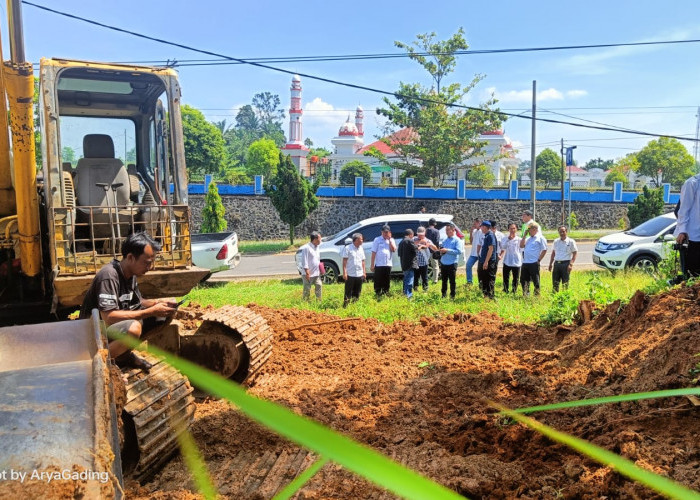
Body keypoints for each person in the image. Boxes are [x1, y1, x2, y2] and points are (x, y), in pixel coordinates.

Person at [79, 232, 178, 372]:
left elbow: (137, 302)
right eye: (147, 263)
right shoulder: (109, 275)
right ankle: (99, 365)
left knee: (162, 316)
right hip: (93, 334)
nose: (149, 268)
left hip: (111, 329)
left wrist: (158, 303)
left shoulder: (130, 275)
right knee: (134, 328)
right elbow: (109, 316)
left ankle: (122, 355)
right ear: (131, 257)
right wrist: (150, 311)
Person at [674, 172, 700, 278]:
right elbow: (683, 210)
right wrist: (682, 231)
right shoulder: (692, 183)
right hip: (693, 238)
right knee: (692, 275)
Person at [519, 222, 548, 296]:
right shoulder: (528, 238)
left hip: (534, 262)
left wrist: (538, 260)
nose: (528, 231)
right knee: (524, 280)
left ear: (534, 229)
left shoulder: (540, 238)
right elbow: (521, 246)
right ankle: (526, 294)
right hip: (525, 262)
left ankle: (536, 295)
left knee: (535, 280)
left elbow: (544, 250)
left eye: (529, 229)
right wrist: (524, 235)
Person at [548, 225, 578, 292]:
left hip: (566, 264)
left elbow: (575, 253)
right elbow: (553, 253)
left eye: (563, 231)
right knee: (555, 283)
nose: (562, 233)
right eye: (560, 232)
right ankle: (555, 298)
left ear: (566, 232)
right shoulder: (556, 241)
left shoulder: (571, 242)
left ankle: (564, 298)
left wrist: (571, 264)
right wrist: (550, 264)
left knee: (565, 283)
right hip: (557, 264)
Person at [370, 225, 397, 296]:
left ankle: (386, 292)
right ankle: (377, 292)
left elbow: (393, 250)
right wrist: (372, 264)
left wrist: (390, 241)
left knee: (386, 279)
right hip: (379, 264)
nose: (385, 234)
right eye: (384, 232)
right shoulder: (377, 239)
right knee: (378, 279)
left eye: (387, 232)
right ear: (381, 232)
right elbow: (373, 252)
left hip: (388, 263)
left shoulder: (391, 240)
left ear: (389, 232)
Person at [439, 223, 463, 299]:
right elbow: (442, 249)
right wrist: (441, 251)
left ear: (453, 230)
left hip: (452, 263)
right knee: (444, 280)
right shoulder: (445, 240)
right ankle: (443, 295)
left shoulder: (457, 240)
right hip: (444, 262)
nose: (446, 232)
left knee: (452, 281)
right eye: (446, 230)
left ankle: (452, 296)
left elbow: (459, 251)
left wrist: (447, 250)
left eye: (448, 230)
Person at [342, 233, 366, 307]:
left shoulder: (361, 248)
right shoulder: (348, 248)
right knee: (348, 291)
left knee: (357, 291)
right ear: (356, 240)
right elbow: (344, 261)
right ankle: (346, 305)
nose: (362, 241)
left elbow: (363, 261)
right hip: (350, 274)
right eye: (361, 239)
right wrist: (344, 272)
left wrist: (364, 272)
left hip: (359, 273)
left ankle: (355, 305)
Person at [499, 223, 522, 294]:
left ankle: (514, 290)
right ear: (508, 229)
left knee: (516, 278)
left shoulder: (519, 239)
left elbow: (521, 249)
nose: (512, 230)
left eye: (514, 228)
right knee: (506, 277)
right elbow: (503, 247)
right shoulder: (505, 238)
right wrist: (508, 239)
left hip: (516, 261)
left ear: (516, 229)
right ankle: (505, 289)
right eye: (511, 228)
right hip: (507, 260)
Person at [477, 220, 498, 299]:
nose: (481, 229)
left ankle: (491, 296)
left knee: (489, 278)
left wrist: (486, 262)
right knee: (484, 278)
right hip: (484, 260)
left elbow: (491, 249)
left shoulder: (490, 235)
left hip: (489, 261)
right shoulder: (486, 235)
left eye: (482, 227)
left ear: (485, 227)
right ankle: (485, 295)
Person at [300, 231, 323, 301]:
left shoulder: (317, 247)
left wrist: (321, 269)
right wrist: (307, 272)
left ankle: (319, 301)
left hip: (316, 272)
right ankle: (305, 302)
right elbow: (304, 261)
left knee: (319, 285)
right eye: (320, 239)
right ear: (315, 239)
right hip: (308, 273)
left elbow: (317, 260)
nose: (320, 240)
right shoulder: (306, 248)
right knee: (307, 288)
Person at [414, 226, 437, 291]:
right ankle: (415, 289)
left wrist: (430, 245)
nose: (420, 236)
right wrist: (420, 243)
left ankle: (425, 289)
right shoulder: (414, 239)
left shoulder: (428, 240)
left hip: (424, 261)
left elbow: (435, 249)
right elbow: (411, 245)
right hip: (416, 262)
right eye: (419, 235)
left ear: (424, 233)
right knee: (416, 277)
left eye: (421, 235)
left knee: (424, 277)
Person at [398, 228, 419, 298]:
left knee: (406, 279)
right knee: (409, 281)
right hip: (410, 264)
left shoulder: (401, 242)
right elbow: (415, 249)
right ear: (411, 234)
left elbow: (399, 254)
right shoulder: (409, 241)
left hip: (403, 264)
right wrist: (420, 246)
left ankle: (404, 293)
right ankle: (409, 296)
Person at [465, 218, 483, 285]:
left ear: (479, 223)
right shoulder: (474, 231)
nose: (474, 225)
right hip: (473, 253)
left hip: (480, 253)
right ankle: (469, 282)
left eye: (475, 223)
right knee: (468, 265)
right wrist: (471, 232)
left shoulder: (483, 231)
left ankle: (481, 282)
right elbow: (471, 241)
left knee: (480, 269)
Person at [425, 218, 441, 284]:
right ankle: (435, 280)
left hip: (425, 251)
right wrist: (437, 250)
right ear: (434, 224)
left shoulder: (425, 230)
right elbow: (437, 241)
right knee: (435, 266)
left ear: (429, 223)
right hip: (433, 250)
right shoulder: (436, 231)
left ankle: (423, 280)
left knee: (424, 266)